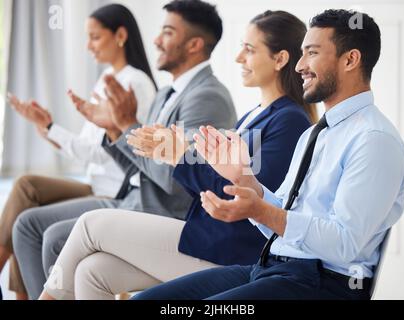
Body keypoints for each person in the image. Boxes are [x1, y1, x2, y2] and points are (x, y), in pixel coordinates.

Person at [132, 9, 404, 300]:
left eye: (312, 53)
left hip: (323, 285)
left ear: (350, 60)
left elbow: (345, 243)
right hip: (272, 268)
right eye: (301, 53)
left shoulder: (374, 141)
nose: (300, 65)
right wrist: (245, 180)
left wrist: (260, 210)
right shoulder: (315, 134)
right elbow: (285, 215)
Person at [38, 10, 315, 300]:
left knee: (90, 224)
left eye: (249, 49)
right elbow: (218, 178)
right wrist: (173, 151)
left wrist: (180, 155)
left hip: (227, 249)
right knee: (92, 271)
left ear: (280, 59)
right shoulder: (253, 116)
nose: (238, 58)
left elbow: (246, 197)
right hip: (205, 233)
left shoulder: (289, 121)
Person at [15, 0, 236, 300]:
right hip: (133, 197)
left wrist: (128, 124)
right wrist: (114, 130)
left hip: (161, 212)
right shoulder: (165, 93)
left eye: (167, 32)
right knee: (29, 224)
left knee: (54, 237)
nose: (156, 40)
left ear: (194, 44)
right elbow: (141, 167)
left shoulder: (207, 97)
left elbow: (177, 181)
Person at [4, 3, 157, 300]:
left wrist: (51, 129)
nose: (88, 46)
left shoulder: (133, 83)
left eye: (95, 37)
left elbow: (102, 151)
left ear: (120, 35)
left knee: (26, 209)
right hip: (95, 183)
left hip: (114, 190)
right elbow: (87, 148)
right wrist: (46, 127)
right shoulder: (108, 79)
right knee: (25, 197)